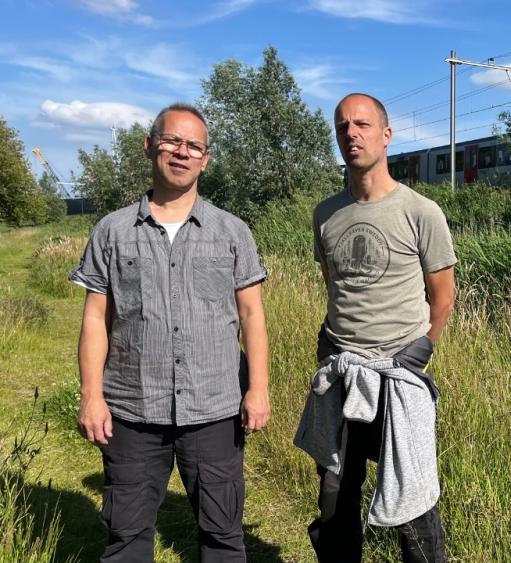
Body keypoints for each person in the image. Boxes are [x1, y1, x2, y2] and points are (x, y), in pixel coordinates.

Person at [70, 102, 270, 562]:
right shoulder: (112, 232)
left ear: (205, 158)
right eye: (172, 141)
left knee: (223, 536)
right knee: (127, 537)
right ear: (150, 146)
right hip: (133, 409)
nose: (181, 152)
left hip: (214, 409)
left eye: (193, 146)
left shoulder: (232, 231)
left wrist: (257, 389)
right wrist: (91, 394)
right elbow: (95, 319)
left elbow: (252, 316)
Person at [293, 93, 456, 563]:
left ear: (386, 136)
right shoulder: (326, 213)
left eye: (362, 124)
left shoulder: (421, 211)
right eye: (343, 126)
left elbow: (442, 296)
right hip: (343, 375)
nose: (351, 133)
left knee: (414, 502)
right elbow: (334, 285)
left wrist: (422, 348)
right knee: (335, 496)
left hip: (398, 378)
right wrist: (329, 342)